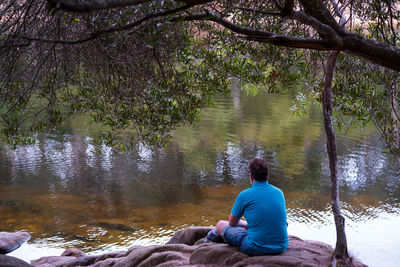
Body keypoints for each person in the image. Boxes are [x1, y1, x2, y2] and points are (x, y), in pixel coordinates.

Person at [207, 158, 288, 256]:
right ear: (267, 175)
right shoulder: (279, 193)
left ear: (251, 175)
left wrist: (244, 224)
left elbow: (232, 223)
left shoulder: (245, 195)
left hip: (255, 247)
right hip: (281, 247)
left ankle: (208, 246)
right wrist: (248, 225)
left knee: (220, 225)